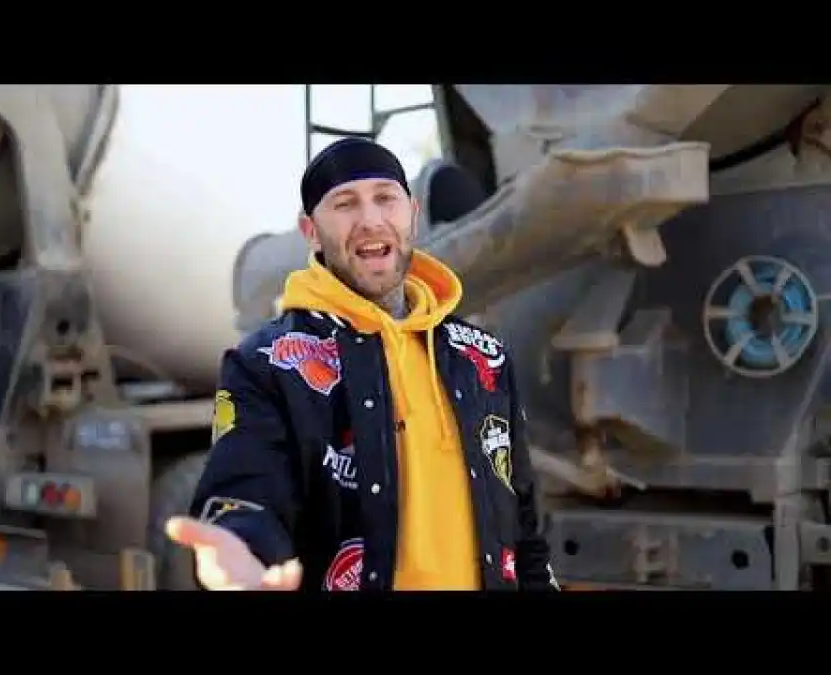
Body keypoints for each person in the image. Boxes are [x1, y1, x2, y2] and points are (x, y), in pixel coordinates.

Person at [165, 136, 559, 591]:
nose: (371, 220)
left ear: (412, 214)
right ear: (311, 231)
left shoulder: (481, 356)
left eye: (385, 198)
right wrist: (240, 552)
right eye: (345, 204)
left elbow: (524, 527)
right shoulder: (267, 363)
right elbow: (246, 490)